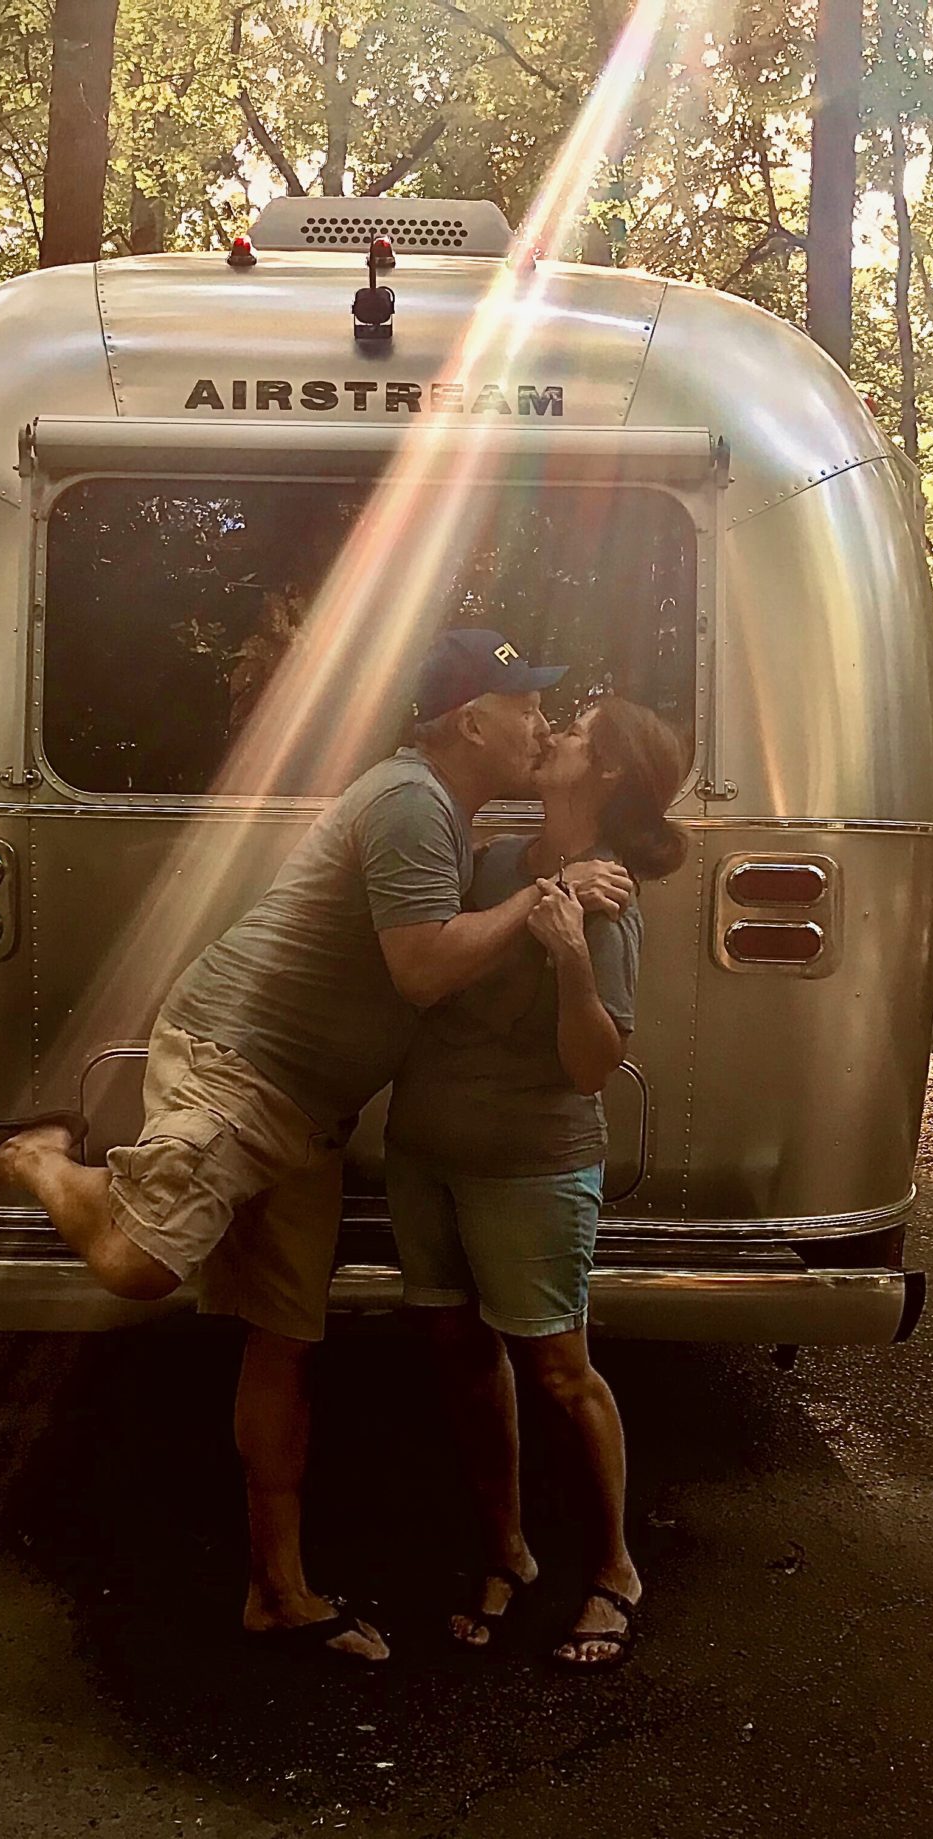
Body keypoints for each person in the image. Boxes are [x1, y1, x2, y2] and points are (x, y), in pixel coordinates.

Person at [0, 630, 632, 1664]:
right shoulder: (412, 799)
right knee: (136, 1261)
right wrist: (542, 896)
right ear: (469, 720)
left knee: (283, 1336)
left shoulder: (446, 813)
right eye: (523, 703)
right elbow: (421, 969)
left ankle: (279, 1591)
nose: (540, 721)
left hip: (308, 1106)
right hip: (240, 1061)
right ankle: (34, 1153)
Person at [384, 696, 688, 1671]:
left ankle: (612, 1570)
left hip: (532, 1161)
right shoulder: (489, 861)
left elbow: (593, 1065)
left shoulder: (607, 899)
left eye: (577, 730)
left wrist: (569, 962)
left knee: (560, 1372)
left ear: (607, 772)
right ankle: (506, 1553)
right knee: (460, 1356)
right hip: (425, 1148)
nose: (551, 731)